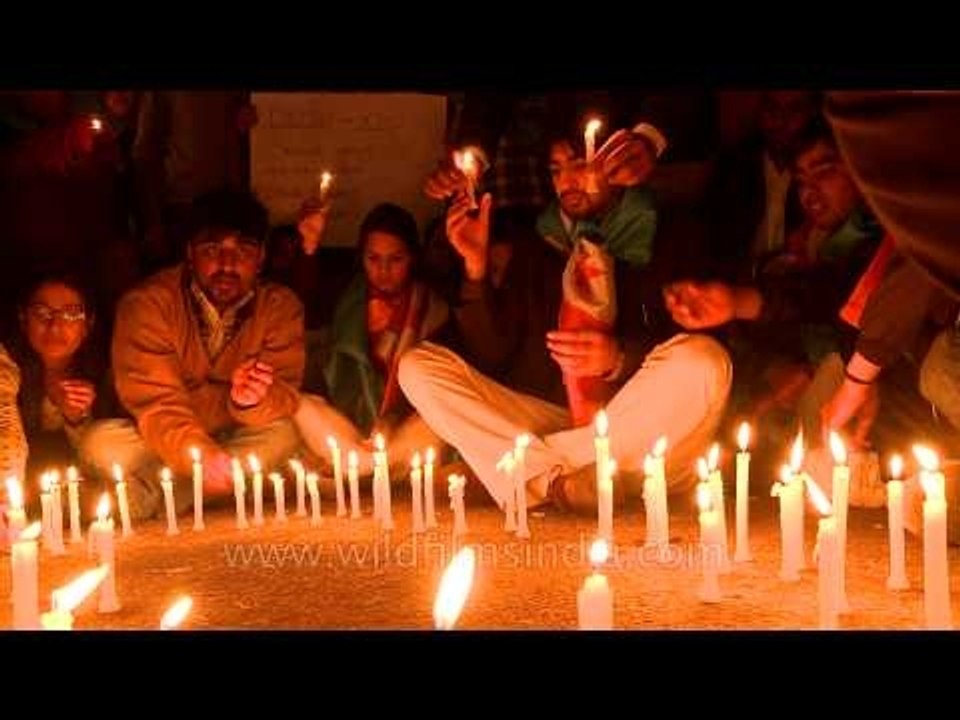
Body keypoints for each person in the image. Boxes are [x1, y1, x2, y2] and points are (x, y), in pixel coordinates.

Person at [399, 119, 731, 514]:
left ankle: (522, 473)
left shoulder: (671, 233)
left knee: (704, 360)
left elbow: (686, 340)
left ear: (613, 161)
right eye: (556, 170)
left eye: (577, 163)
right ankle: (554, 480)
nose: (566, 181)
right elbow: (493, 353)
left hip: (645, 440)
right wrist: (475, 266)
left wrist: (618, 358)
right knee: (415, 366)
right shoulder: (539, 245)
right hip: (554, 417)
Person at [79, 188, 304, 520]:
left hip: (234, 435)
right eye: (213, 249)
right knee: (101, 443)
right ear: (190, 253)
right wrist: (201, 456)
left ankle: (152, 495)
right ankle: (219, 489)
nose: (227, 264)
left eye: (243, 249)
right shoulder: (148, 305)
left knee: (284, 435)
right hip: (163, 440)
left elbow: (284, 395)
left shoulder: (281, 308)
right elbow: (158, 404)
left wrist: (250, 401)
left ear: (261, 259)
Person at [294, 203, 449, 475]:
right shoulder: (346, 299)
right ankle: (375, 468)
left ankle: (361, 470)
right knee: (302, 406)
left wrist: (392, 420)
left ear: (412, 257)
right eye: (373, 259)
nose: (383, 270)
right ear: (361, 258)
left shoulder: (432, 307)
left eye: (395, 259)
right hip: (348, 430)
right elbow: (306, 313)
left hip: (403, 432)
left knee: (437, 424)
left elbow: (441, 390)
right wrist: (307, 251)